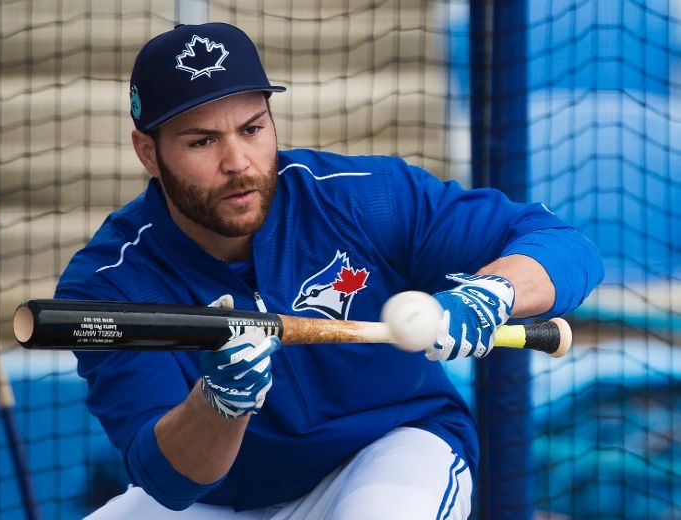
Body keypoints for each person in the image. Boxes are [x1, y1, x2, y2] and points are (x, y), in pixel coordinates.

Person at [55, 22, 603, 519]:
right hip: (224, 498)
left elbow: (565, 245)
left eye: (252, 129)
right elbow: (169, 482)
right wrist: (219, 402)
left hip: (387, 452)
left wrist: (493, 292)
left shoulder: (365, 198)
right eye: (203, 141)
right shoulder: (109, 281)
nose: (238, 162)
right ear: (148, 153)